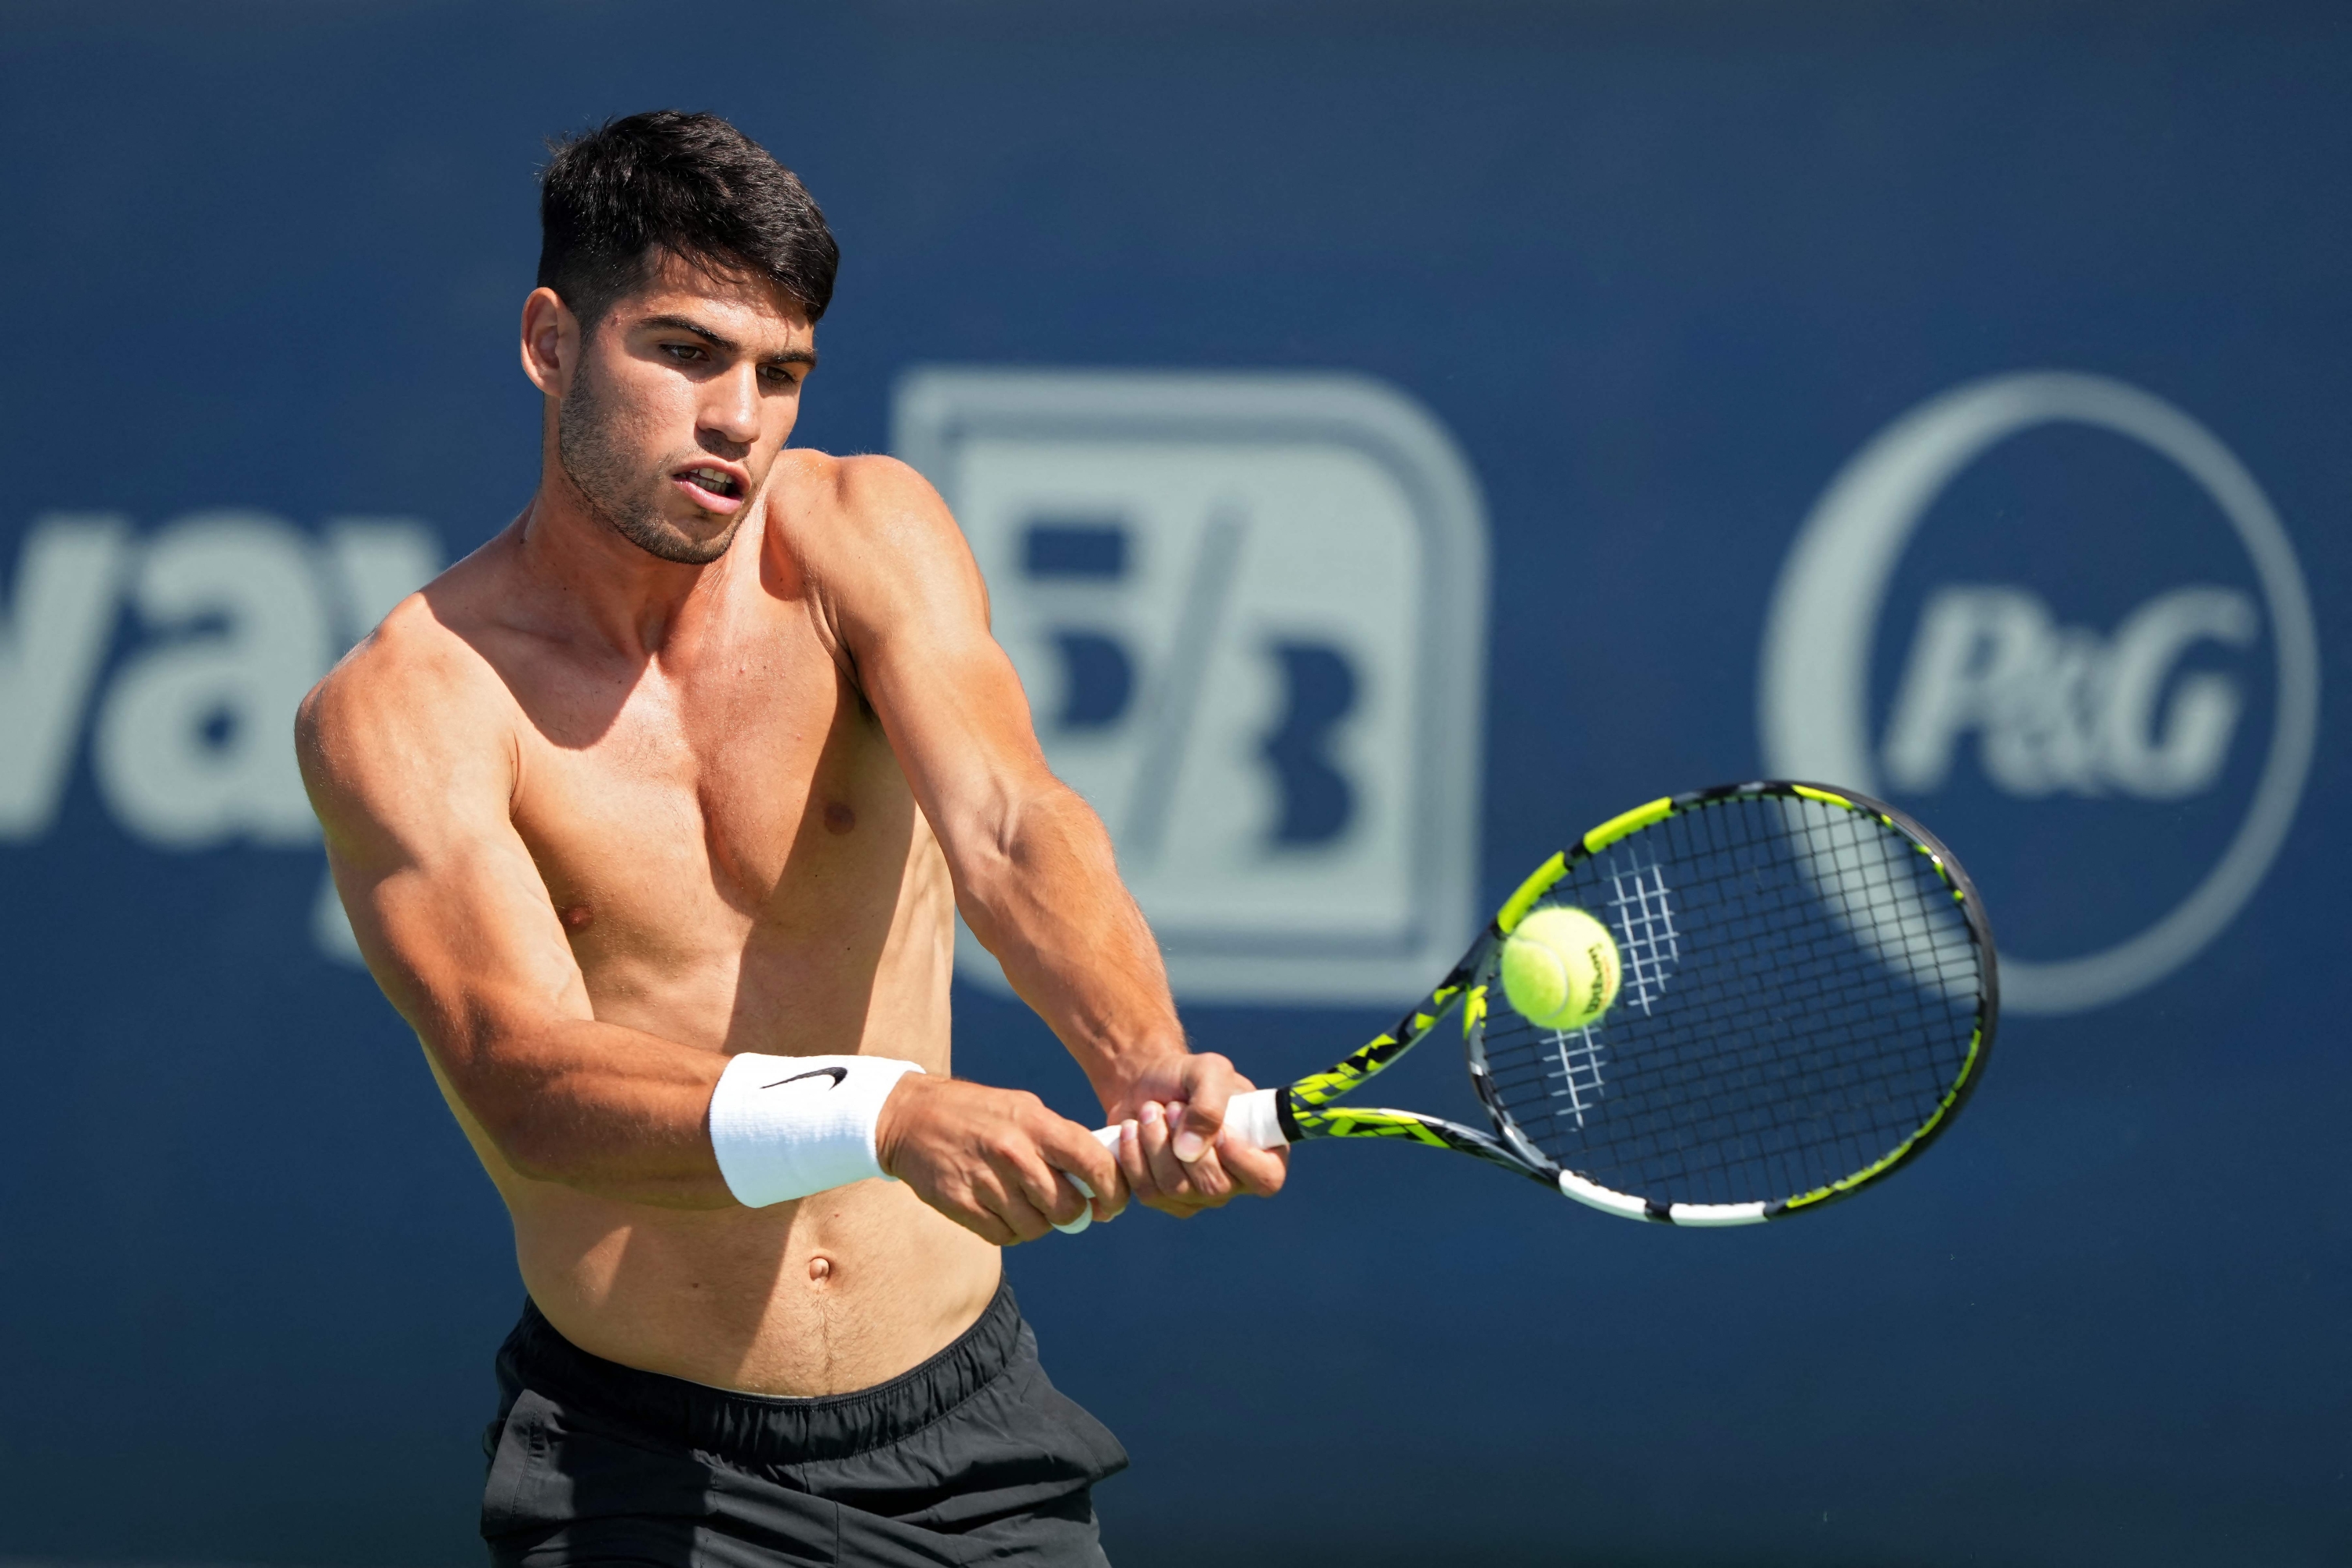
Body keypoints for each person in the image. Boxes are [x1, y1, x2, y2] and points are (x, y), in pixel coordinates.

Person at [296, 109, 1285, 1567]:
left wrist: (1141, 1056)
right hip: (645, 1472)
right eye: (685, 353)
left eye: (779, 374)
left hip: (976, 1438)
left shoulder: (861, 534)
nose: (739, 420)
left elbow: (1012, 821)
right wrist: (881, 1113)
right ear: (549, 341)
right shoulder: (408, 702)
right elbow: (527, 1082)